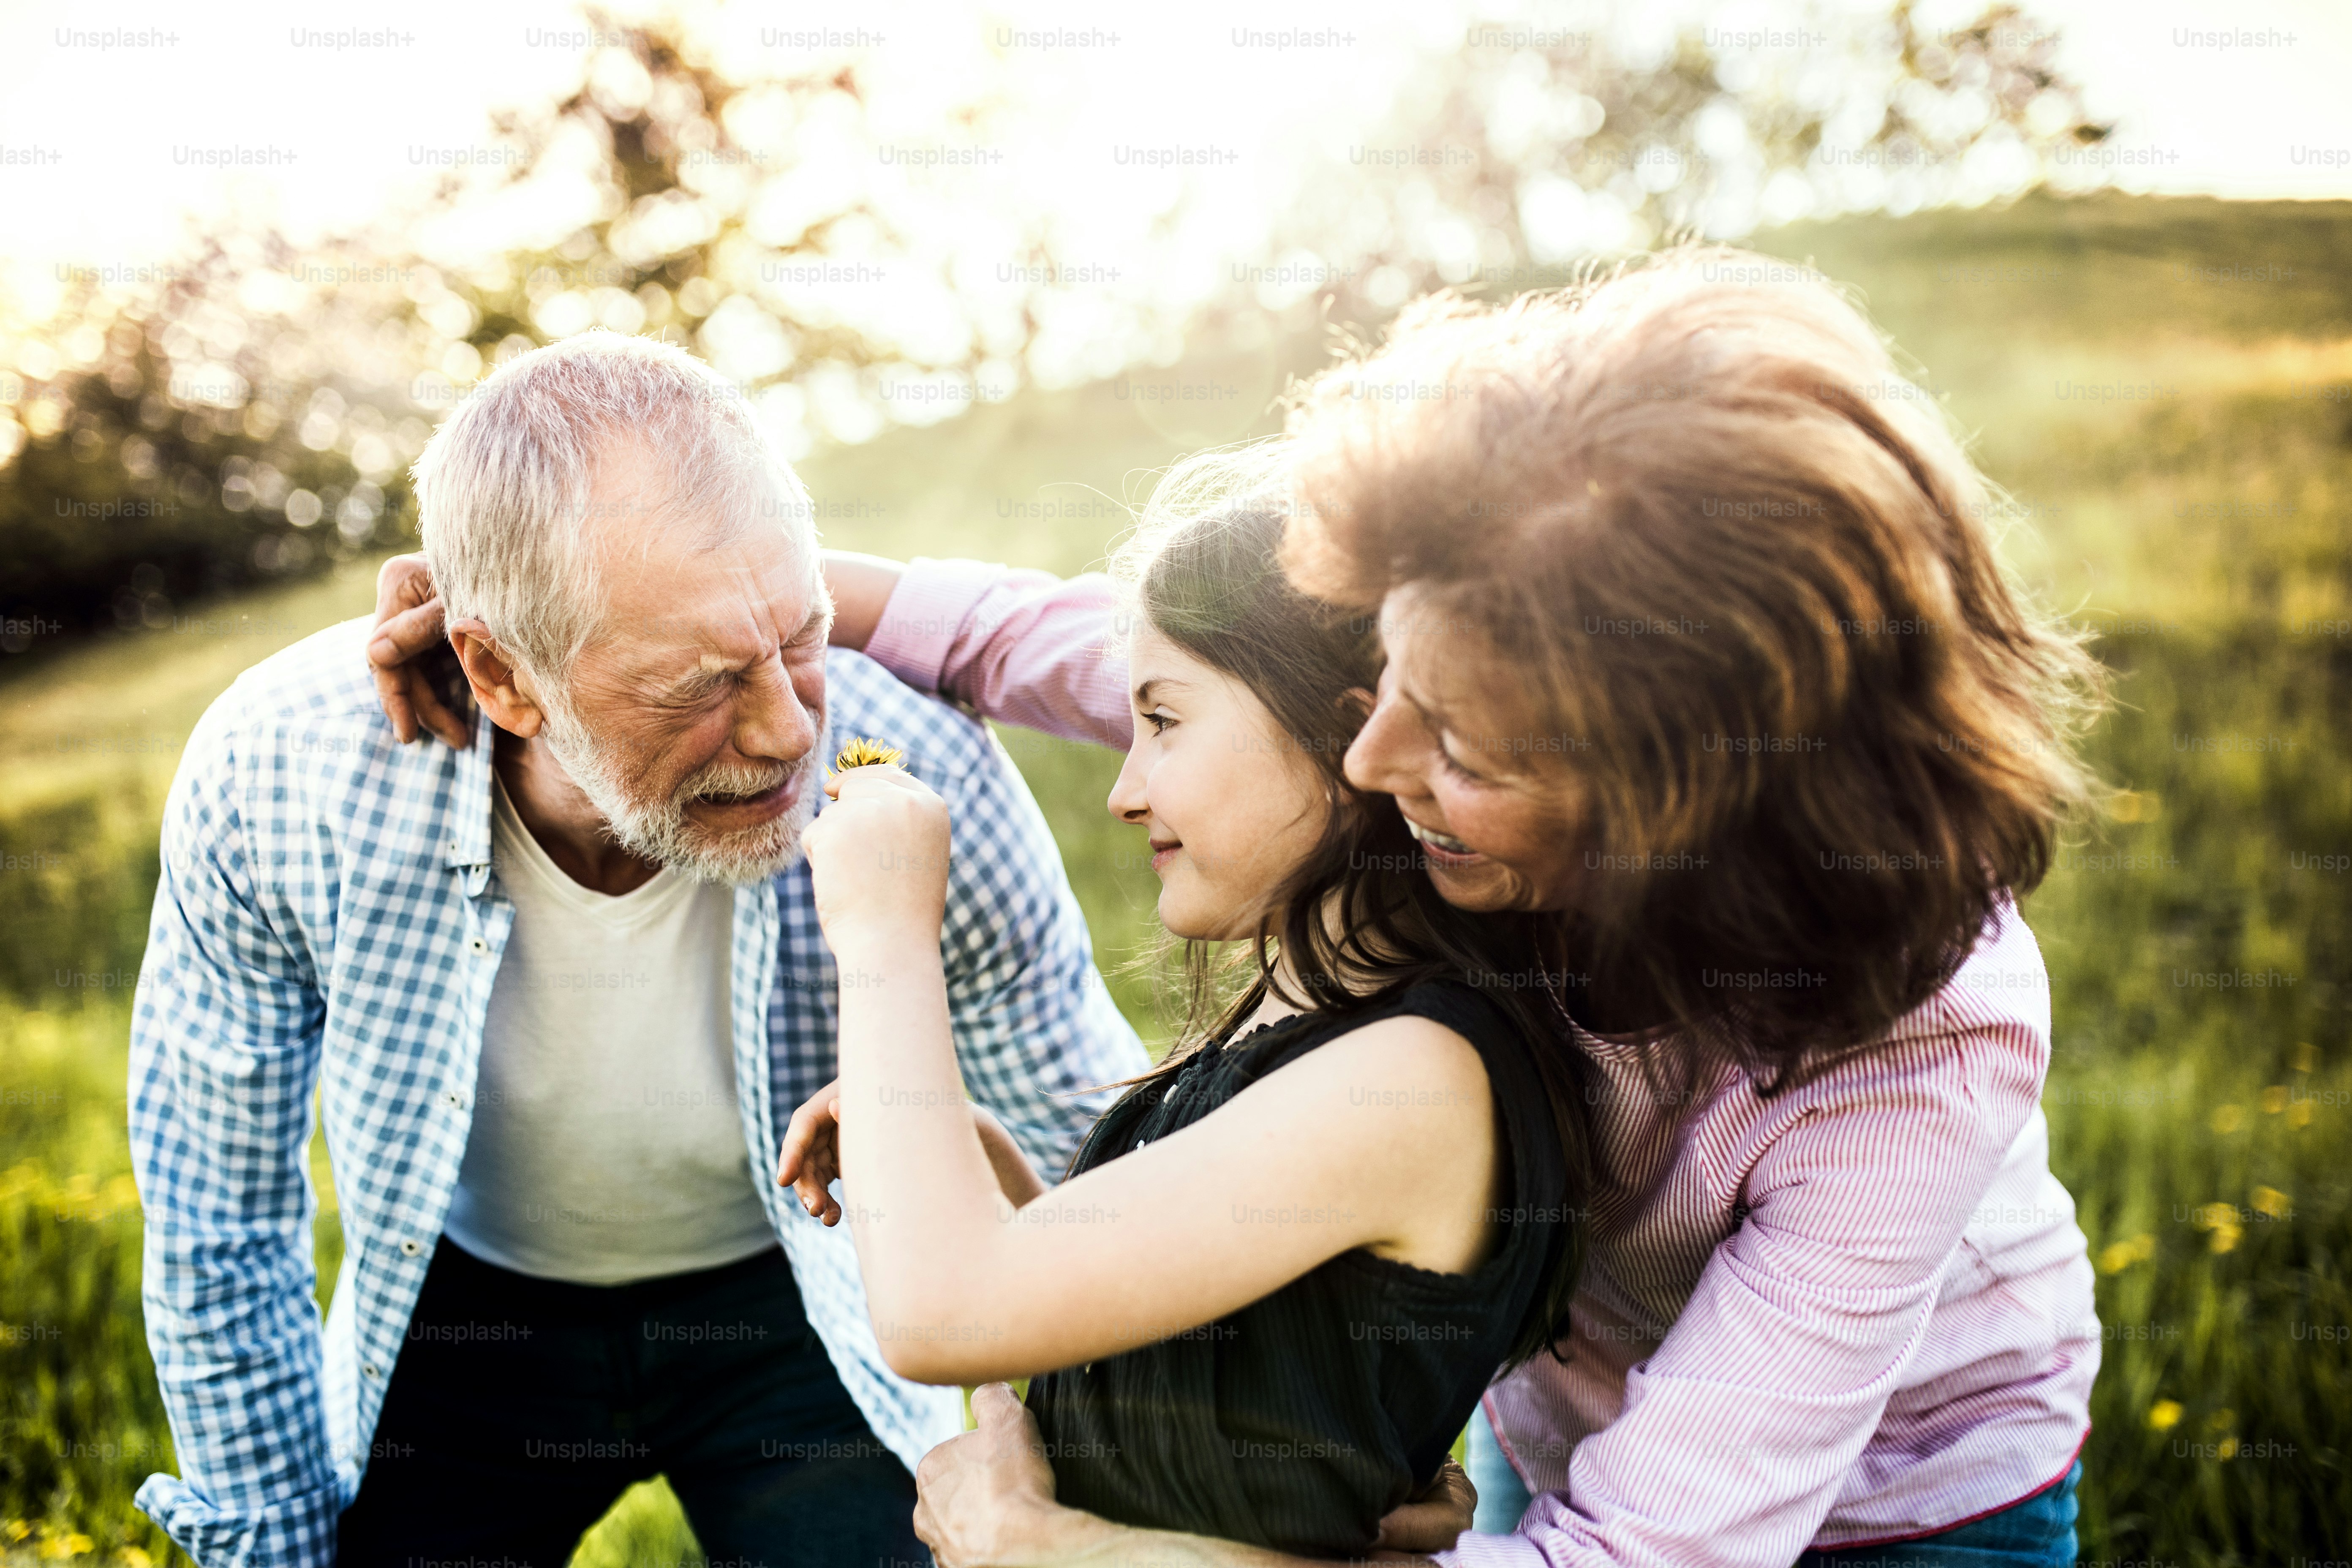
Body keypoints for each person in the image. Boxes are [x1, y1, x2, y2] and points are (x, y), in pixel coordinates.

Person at [366, 247, 2106, 1568]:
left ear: (1671, 791)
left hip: (1916, 1498)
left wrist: (1068, 1554)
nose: (1372, 759)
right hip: (1552, 1399)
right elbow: (1036, 638)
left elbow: (1642, 1553)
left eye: (1465, 738)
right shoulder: (1418, 761)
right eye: (1379, 678)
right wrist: (561, 605)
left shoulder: (1914, 1051)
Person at [127, 331, 1151, 1568]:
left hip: (808, 1295)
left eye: (805, 638)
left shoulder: (916, 762)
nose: (786, 733)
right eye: (703, 686)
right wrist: (273, 1551)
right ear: (502, 673)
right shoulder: (282, 776)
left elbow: (1084, 1152)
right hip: (468, 1319)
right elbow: (217, 1217)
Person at [773, 501, 1589, 1558]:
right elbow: (1204, 1356)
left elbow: (944, 1314)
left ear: (1345, 735)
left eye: (1162, 720)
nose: (1123, 788)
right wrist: (971, 1166)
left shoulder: (1413, 1076)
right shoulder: (1322, 1029)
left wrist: (884, 932)